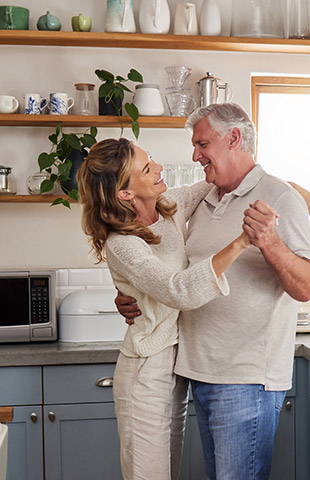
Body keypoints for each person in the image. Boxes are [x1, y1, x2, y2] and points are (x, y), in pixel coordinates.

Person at [117, 102, 310, 479]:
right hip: (199, 372)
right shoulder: (205, 198)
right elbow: (170, 265)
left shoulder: (279, 199)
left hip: (245, 379)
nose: (195, 155)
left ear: (234, 139)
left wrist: (269, 243)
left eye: (202, 144)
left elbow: (306, 286)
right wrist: (131, 292)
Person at [77, 137, 255, 480]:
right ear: (125, 194)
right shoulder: (123, 244)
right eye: (146, 168)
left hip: (176, 367)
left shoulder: (169, 207)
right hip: (146, 372)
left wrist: (293, 190)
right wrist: (242, 241)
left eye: (152, 159)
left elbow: (224, 178)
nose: (158, 168)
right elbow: (179, 290)